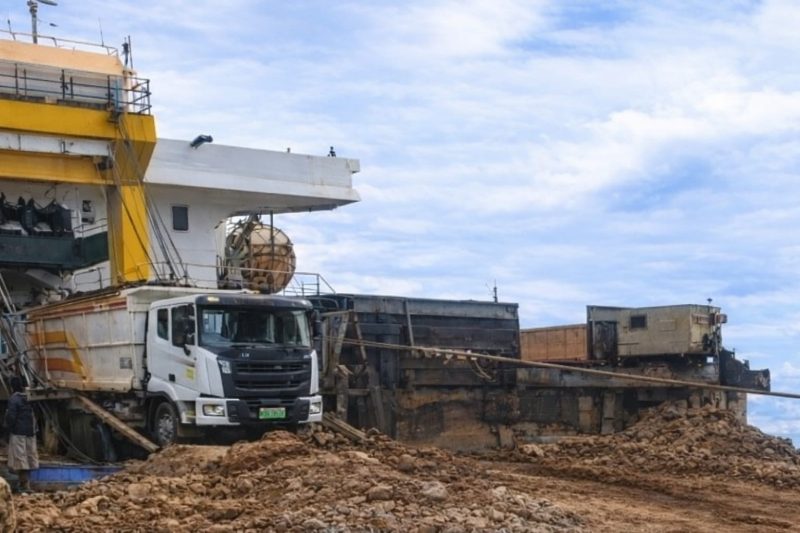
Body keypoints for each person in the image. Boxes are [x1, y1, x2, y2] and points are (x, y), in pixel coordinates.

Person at [4, 376, 38, 493]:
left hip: (18, 433)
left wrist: (8, 429)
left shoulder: (14, 399)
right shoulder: (29, 397)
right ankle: (26, 484)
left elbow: (11, 417)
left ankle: (24, 485)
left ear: (12, 386)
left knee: (20, 458)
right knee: (29, 457)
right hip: (30, 433)